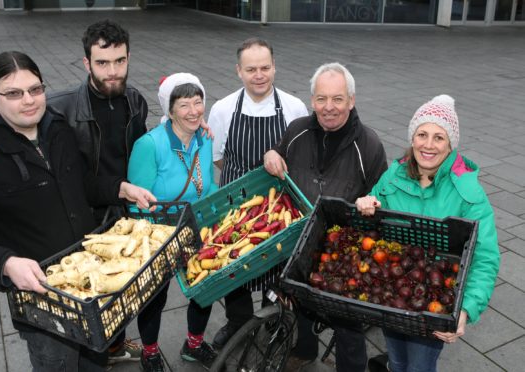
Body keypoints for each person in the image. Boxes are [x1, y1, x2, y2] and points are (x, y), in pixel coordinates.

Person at [0, 19, 157, 365]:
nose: (28, 101)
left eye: (35, 89)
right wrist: (7, 264)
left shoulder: (56, 127)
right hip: (42, 300)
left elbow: (81, 182)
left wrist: (120, 188)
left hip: (87, 282)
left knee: (96, 359)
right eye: (14, 93)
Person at [355, 94, 500, 372]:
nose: (428, 145)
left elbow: (485, 257)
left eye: (439, 137)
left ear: (450, 145)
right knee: (397, 359)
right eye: (422, 134)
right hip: (392, 289)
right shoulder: (393, 176)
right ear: (412, 138)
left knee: (419, 367)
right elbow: (373, 205)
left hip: (436, 297)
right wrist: (366, 203)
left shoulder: (468, 194)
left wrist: (465, 310)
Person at [264, 62, 388, 371]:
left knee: (348, 328)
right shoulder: (296, 131)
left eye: (337, 98)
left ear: (351, 100)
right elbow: (277, 154)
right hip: (298, 241)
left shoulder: (369, 145)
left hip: (342, 253)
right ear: (312, 100)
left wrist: (372, 203)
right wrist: (270, 155)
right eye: (321, 98)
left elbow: (383, 197)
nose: (328, 107)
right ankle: (305, 349)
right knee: (301, 302)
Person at [207, 37, 308, 350]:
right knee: (233, 265)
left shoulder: (294, 107)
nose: (259, 74)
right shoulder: (223, 109)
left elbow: (299, 157)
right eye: (251, 69)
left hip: (278, 205)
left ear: (274, 67)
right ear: (239, 71)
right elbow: (219, 157)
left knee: (276, 265)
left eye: (265, 67)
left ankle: (276, 315)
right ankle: (238, 321)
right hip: (235, 202)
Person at [126, 73, 219, 372]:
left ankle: (194, 344)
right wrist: (158, 240)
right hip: (160, 232)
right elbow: (135, 203)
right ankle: (150, 351)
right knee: (155, 297)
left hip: (197, 226)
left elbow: (208, 185)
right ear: (169, 109)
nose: (194, 110)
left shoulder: (204, 138)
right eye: (184, 104)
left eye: (198, 102)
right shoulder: (149, 145)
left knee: (204, 287)